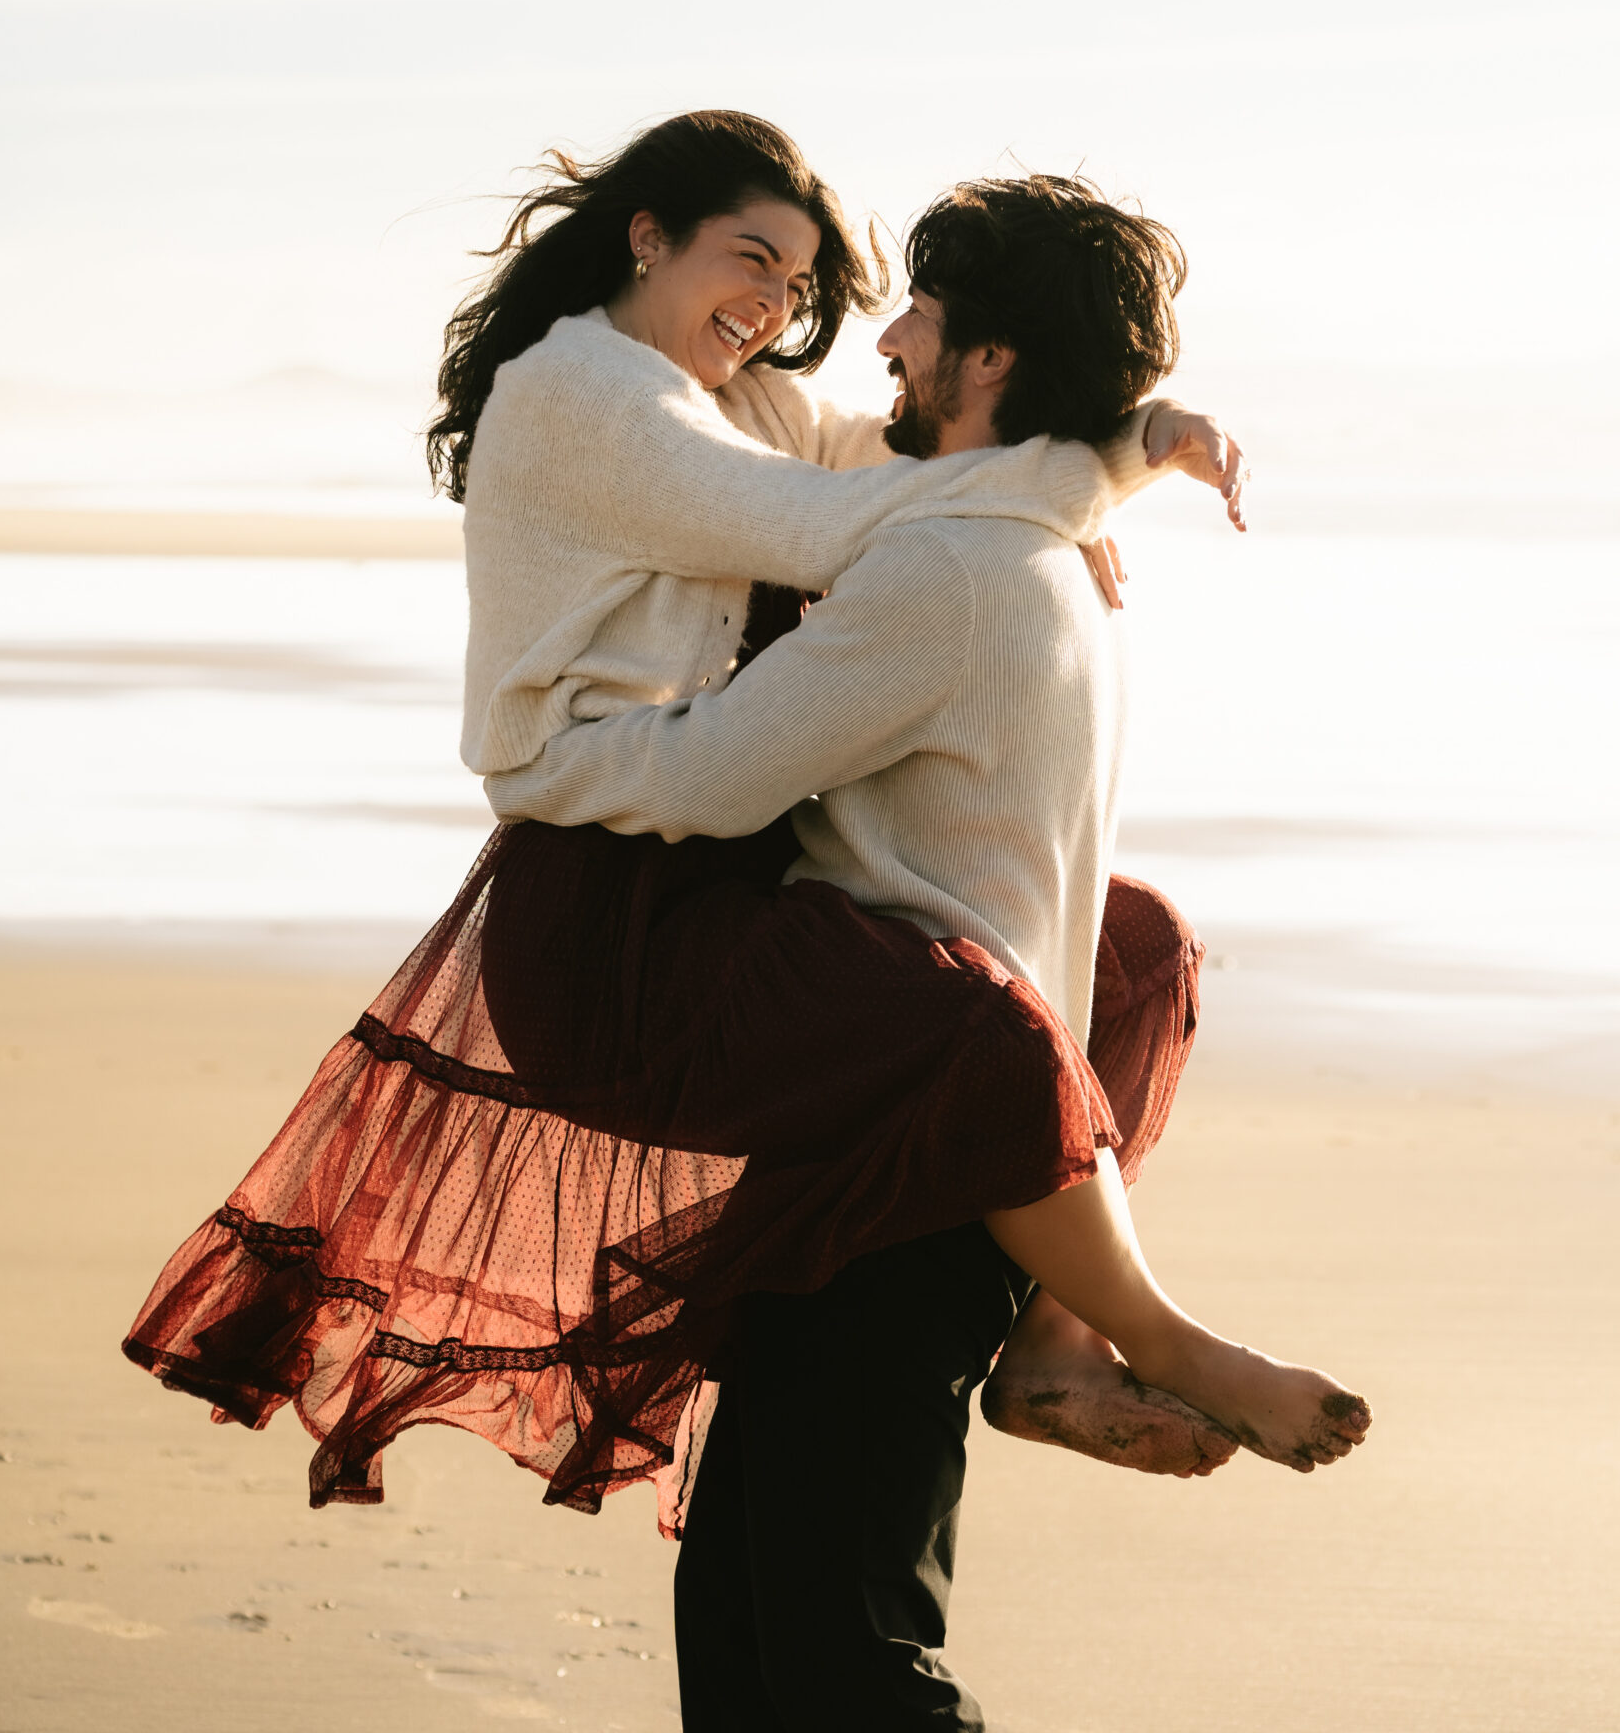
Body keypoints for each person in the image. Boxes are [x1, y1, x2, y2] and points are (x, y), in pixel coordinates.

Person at [122, 111, 1251, 1537]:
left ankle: (1054, 1340)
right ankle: (1130, 1326)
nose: (777, 306)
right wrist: (1098, 471)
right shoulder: (582, 394)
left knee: (1134, 950)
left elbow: (887, 467)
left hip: (721, 855)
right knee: (984, 1032)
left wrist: (1109, 437)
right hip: (610, 893)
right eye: (751, 258)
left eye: (799, 283)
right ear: (647, 236)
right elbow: (845, 533)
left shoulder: (734, 396)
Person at [492, 169, 1372, 1728]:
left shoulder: (949, 567)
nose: (876, 336)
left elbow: (711, 773)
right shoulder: (1033, 558)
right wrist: (1116, 453)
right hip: (918, 1092)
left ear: (987, 364)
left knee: (835, 1660)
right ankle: (1070, 1329)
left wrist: (546, 780)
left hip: (912, 1120)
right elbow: (823, 496)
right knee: (768, 1626)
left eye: (921, 318)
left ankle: (1129, 1327)